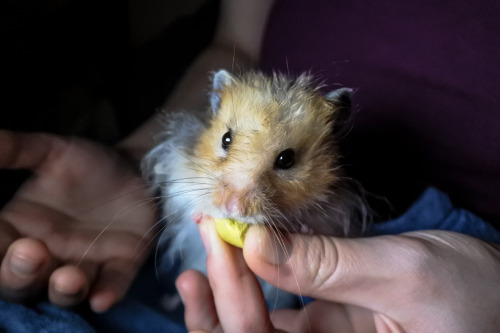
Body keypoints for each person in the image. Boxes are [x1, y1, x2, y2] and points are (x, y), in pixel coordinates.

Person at [1, 0, 499, 331]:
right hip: (149, 257)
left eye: (284, 161)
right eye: (226, 142)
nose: (235, 196)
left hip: (451, 262)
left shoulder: (335, 190)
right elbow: (234, 47)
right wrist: (133, 162)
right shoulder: (213, 127)